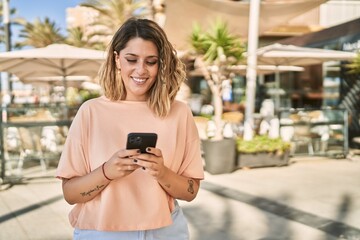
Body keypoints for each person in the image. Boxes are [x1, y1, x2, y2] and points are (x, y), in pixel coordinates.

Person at [56, 17, 204, 240]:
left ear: (160, 63)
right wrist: (107, 172)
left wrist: (161, 172)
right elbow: (70, 194)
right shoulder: (91, 112)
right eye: (131, 59)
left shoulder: (180, 113)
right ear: (117, 59)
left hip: (165, 231)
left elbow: (191, 192)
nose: (141, 70)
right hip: (101, 232)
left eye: (151, 61)